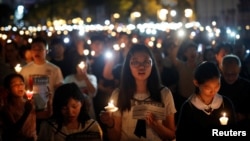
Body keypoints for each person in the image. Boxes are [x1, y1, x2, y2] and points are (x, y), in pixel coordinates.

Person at [100, 44, 176, 141]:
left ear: (152, 65)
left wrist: (156, 126)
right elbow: (114, 138)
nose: (141, 67)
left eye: (146, 62)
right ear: (128, 66)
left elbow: (171, 136)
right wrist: (110, 124)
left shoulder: (164, 93)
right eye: (135, 62)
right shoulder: (119, 94)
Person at [176, 61, 237, 141]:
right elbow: (182, 135)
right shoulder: (189, 107)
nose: (213, 91)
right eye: (208, 88)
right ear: (196, 83)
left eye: (217, 86)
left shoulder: (225, 103)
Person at [20, 36, 63, 131]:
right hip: (30, 110)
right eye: (34, 49)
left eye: (40, 49)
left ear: (46, 51)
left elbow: (59, 90)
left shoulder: (54, 69)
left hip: (49, 110)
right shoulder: (25, 70)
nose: (36, 51)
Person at [37, 82, 103, 141]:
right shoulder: (49, 128)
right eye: (64, 108)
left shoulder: (92, 127)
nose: (70, 112)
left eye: (74, 107)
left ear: (82, 104)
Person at [0, 73, 36, 141]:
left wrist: (49, 102)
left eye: (21, 83)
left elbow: (44, 115)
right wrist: (26, 112)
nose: (19, 86)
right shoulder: (6, 109)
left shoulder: (29, 104)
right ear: (8, 90)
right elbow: (13, 131)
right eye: (15, 85)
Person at [219, 54, 250, 130]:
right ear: (221, 70)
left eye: (233, 74)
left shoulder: (247, 86)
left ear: (239, 69)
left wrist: (245, 115)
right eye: (226, 74)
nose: (230, 77)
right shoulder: (215, 85)